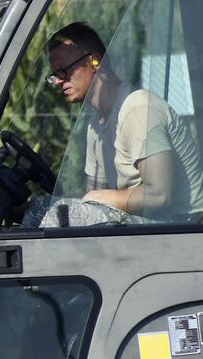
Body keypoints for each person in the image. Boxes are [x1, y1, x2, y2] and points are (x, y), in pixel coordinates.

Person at [26, 22, 203, 227]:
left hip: (185, 226)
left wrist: (102, 198)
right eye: (54, 74)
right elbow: (93, 199)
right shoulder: (96, 126)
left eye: (63, 71)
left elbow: (160, 194)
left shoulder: (137, 109)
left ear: (94, 62)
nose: (58, 81)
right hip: (155, 225)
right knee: (43, 210)